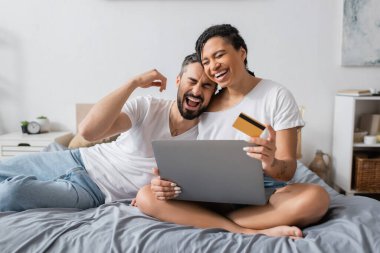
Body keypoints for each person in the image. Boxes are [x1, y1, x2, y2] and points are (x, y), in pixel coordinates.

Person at [136, 24, 330, 238]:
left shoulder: (276, 95)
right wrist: (168, 180)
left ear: (242, 53)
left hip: (264, 194)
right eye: (206, 61)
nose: (213, 66)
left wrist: (271, 163)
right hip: (210, 195)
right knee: (146, 195)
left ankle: (208, 222)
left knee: (317, 198)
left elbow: (289, 168)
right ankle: (243, 230)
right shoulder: (206, 102)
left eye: (219, 55)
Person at [0, 53, 216, 212]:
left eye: (207, 86)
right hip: (80, 158)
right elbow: (88, 132)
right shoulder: (148, 106)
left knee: (13, 192)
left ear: (214, 93)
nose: (197, 91)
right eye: (192, 81)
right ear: (179, 81)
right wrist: (133, 83)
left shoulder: (208, 134)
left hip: (94, 192)